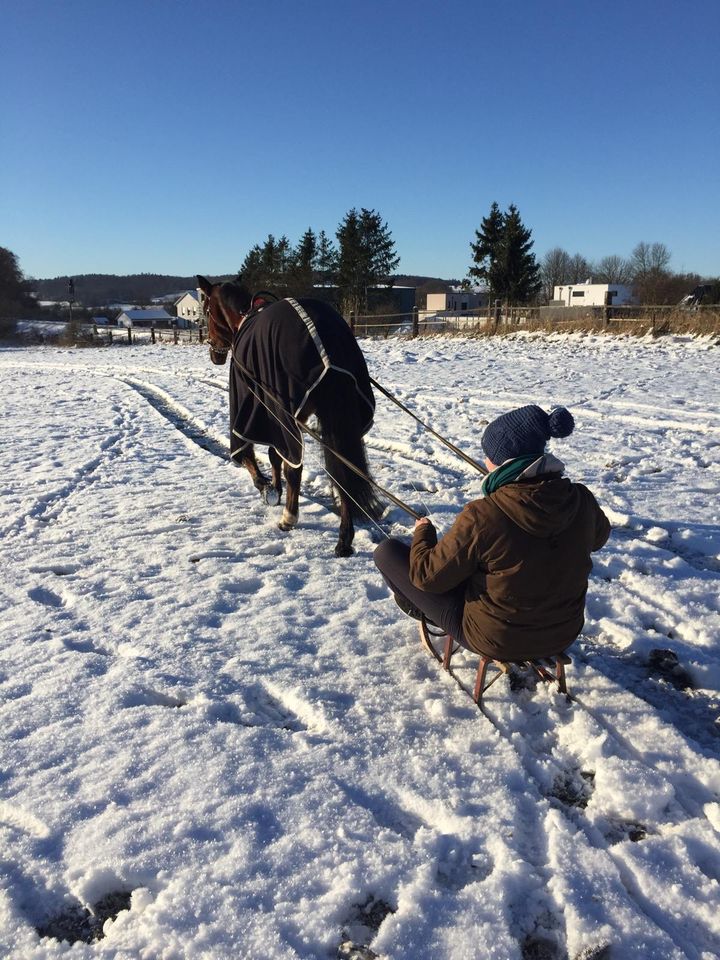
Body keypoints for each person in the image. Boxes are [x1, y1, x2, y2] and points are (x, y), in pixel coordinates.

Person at [373, 404, 610, 661]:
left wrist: (423, 534)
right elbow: (599, 538)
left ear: (501, 460)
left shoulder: (484, 514)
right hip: (564, 633)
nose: (485, 461)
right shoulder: (582, 499)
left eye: (488, 455)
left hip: (497, 641)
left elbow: (426, 577)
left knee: (387, 552)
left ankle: (428, 614)